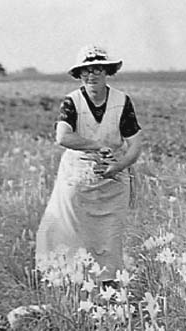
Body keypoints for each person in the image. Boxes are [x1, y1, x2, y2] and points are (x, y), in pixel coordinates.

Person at [36, 44, 142, 284]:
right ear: (79, 74)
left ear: (107, 72)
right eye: (86, 70)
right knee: (70, 230)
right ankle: (72, 283)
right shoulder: (71, 102)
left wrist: (119, 165)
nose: (91, 75)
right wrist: (95, 146)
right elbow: (63, 136)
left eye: (97, 69)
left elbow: (135, 143)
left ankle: (110, 288)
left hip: (113, 177)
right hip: (77, 174)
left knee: (110, 234)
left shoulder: (122, 101)